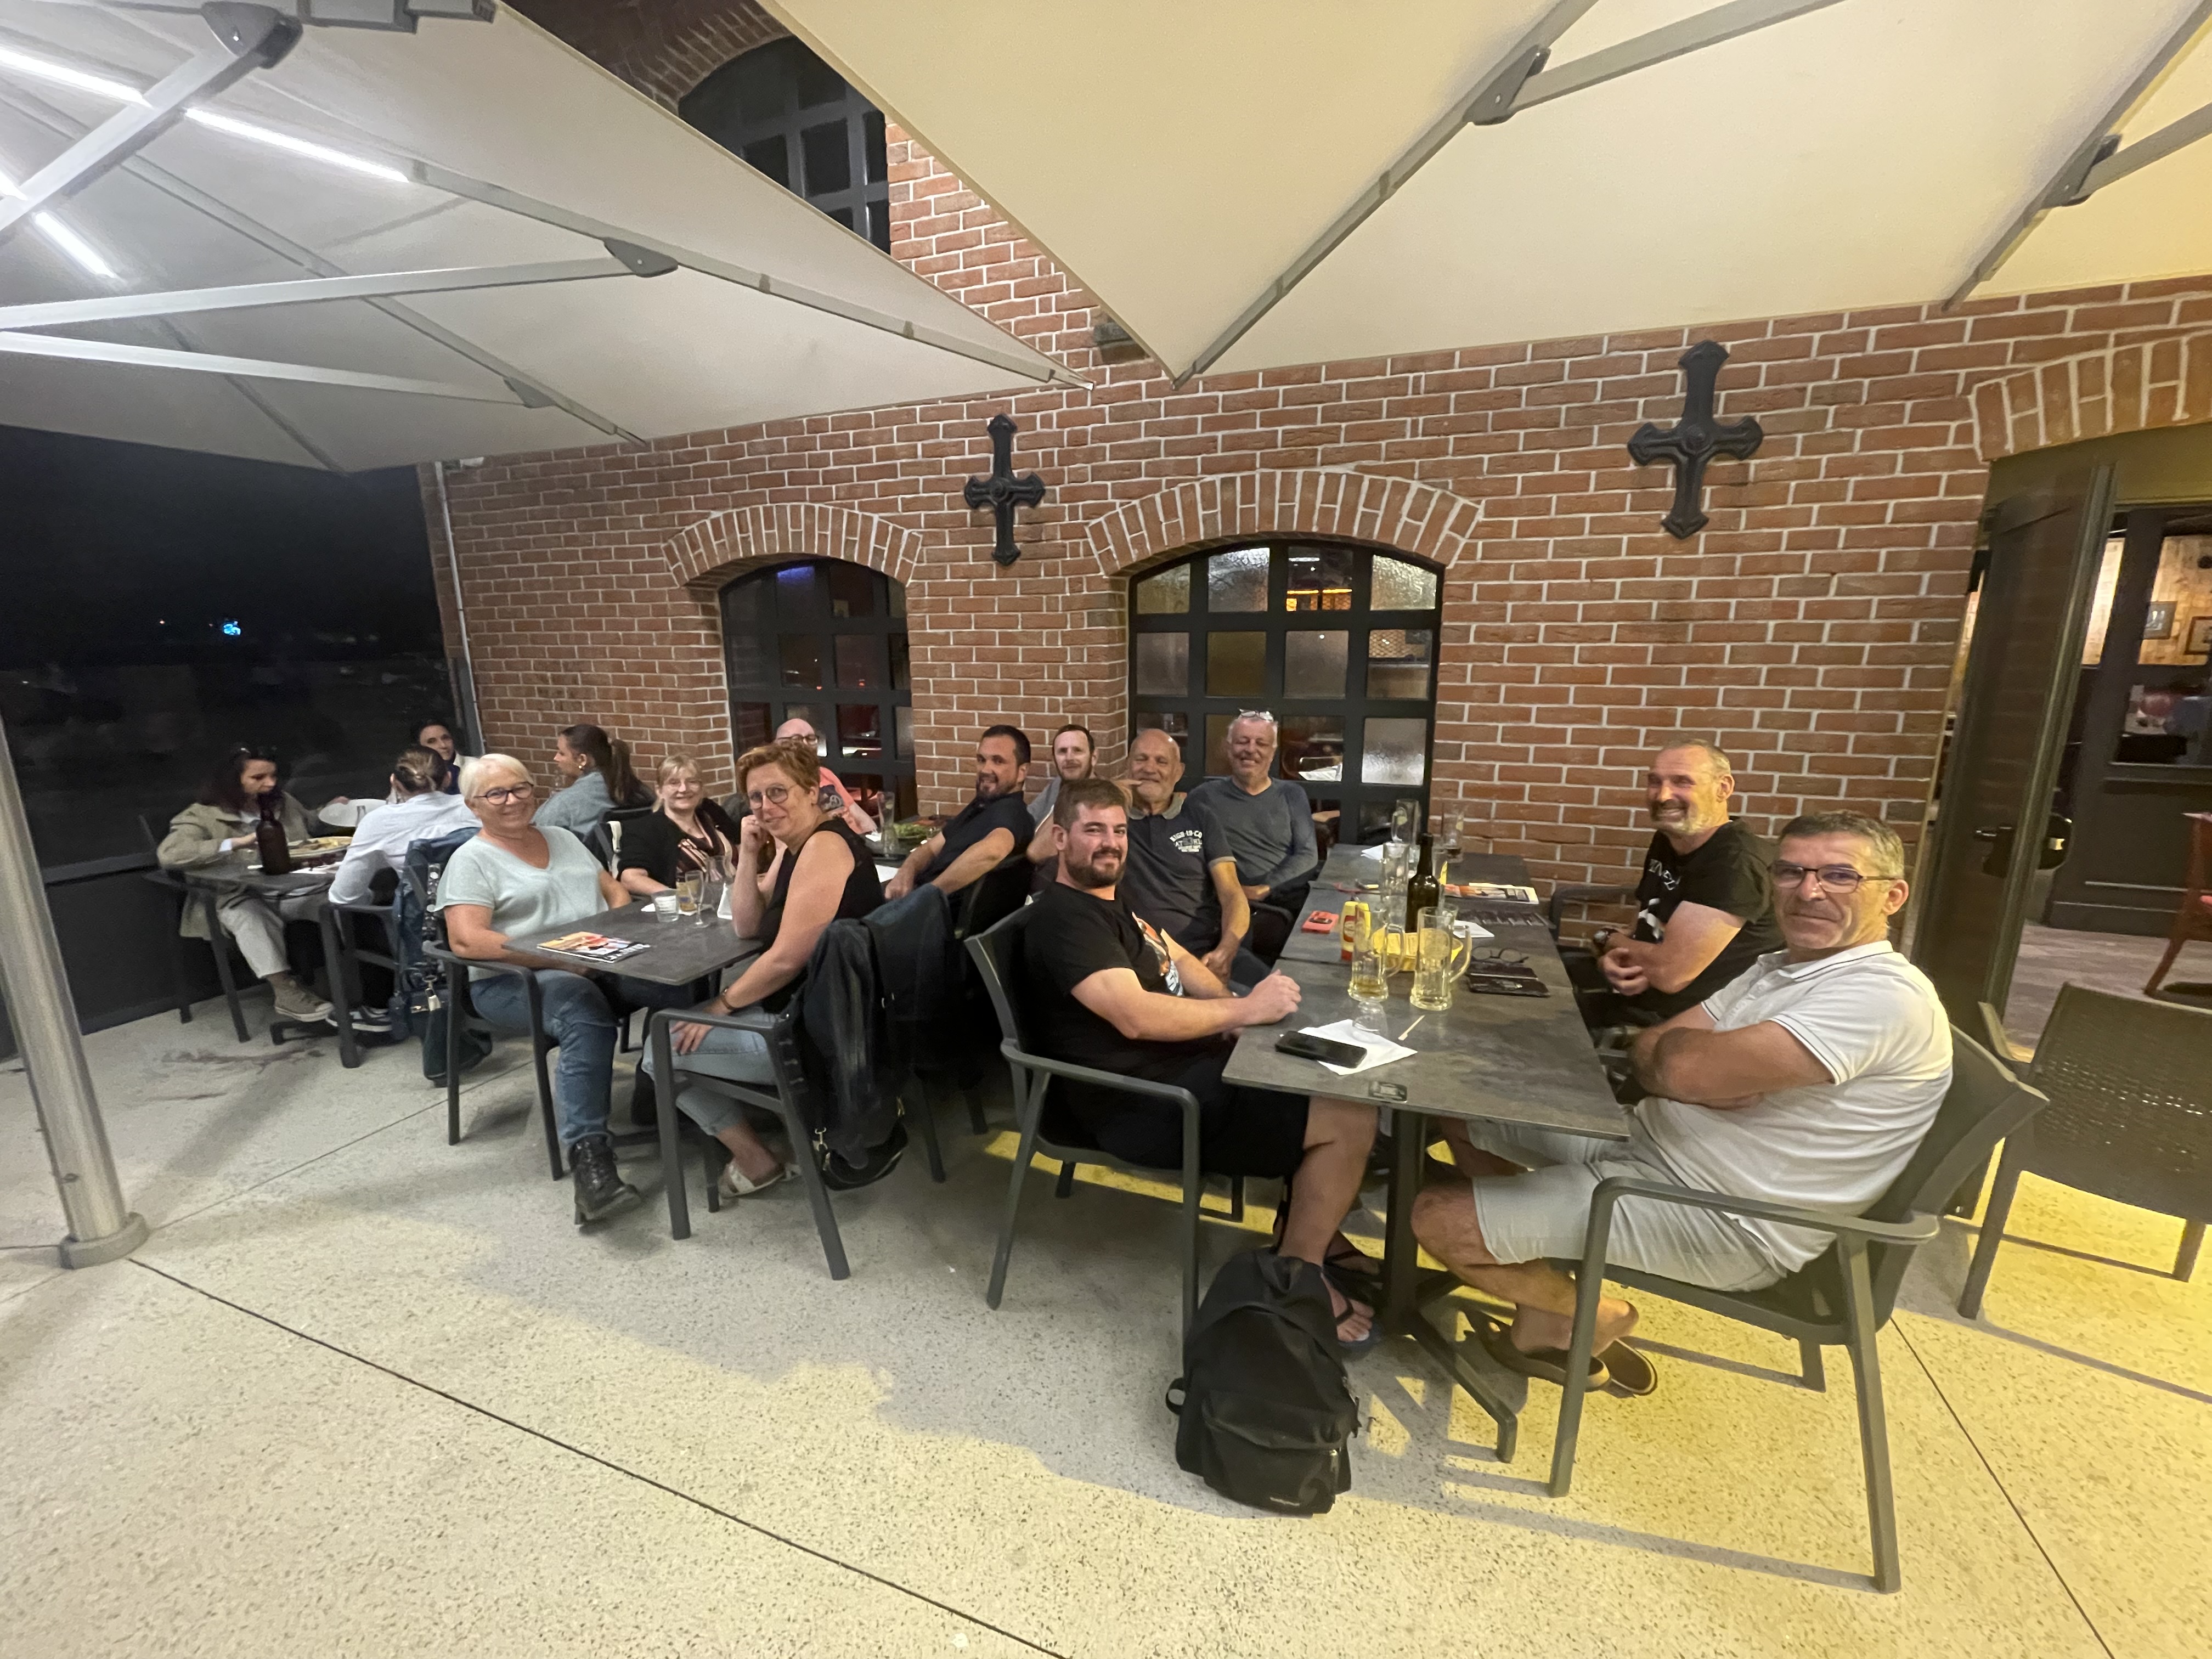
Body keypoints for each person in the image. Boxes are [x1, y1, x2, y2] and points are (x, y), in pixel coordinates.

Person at [1411, 811, 1952, 1398]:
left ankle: (1593, 1314)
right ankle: (1538, 1285)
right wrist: (1688, 1070)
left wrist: (1687, 1067)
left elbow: (1677, 1067)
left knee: (1436, 1218)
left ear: (1892, 896)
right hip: (1649, 1143)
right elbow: (1654, 1052)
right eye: (1791, 872)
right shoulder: (1781, 967)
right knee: (1463, 1104)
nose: (1808, 891)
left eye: (1840, 876)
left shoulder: (1881, 998)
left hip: (1726, 1217)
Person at [1025, 778, 1382, 1350]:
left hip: (1181, 1069)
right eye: (1093, 830)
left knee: (1319, 1068)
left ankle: (1308, 1227)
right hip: (1141, 1103)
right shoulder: (1065, 919)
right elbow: (1136, 1017)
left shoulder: (1111, 901)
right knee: (1349, 1114)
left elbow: (1173, 953)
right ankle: (1298, 1275)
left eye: (1118, 830)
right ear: (1061, 838)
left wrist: (1231, 1011)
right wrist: (1244, 1010)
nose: (1110, 843)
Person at [435, 754, 693, 1224]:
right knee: (582, 1011)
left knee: (675, 985)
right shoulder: (470, 861)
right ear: (474, 805)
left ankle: (653, 1091)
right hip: (511, 981)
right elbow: (468, 941)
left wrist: (609, 937)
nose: (512, 800)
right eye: (496, 793)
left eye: (520, 788)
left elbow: (614, 890)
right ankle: (591, 1160)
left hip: (593, 962)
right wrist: (560, 958)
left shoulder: (563, 838)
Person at [643, 740, 885, 1197]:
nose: (766, 806)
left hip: (810, 1038)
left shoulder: (824, 847)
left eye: (778, 792)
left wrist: (721, 1006)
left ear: (811, 791)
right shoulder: (797, 845)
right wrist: (750, 853)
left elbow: (786, 958)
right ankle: (777, 1135)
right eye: (755, 797)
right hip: (818, 1015)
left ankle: (755, 1160)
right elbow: (747, 925)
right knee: (675, 1026)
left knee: (658, 1050)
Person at [1576, 740, 1783, 1026]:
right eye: (1655, 781)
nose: (1663, 796)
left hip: (1682, 1024)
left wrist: (1606, 938)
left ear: (1723, 788)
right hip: (1638, 995)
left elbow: (1669, 974)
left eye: (1682, 782)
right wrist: (1608, 961)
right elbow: (1641, 930)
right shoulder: (1669, 838)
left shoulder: (1736, 862)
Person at [156, 746, 332, 1024]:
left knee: (341, 902)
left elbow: (311, 823)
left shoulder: (282, 802)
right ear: (232, 781)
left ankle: (366, 979)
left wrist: (335, 811)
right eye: (258, 778)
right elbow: (170, 854)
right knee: (251, 918)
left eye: (273, 776)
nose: (270, 784)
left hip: (295, 888)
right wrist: (235, 844)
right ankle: (286, 992)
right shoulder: (201, 816)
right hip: (239, 894)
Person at [1118, 725, 1264, 986]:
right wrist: (1104, 792)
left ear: (1178, 772)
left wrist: (1226, 951)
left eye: (1161, 761)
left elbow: (1232, 894)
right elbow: (1045, 848)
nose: (1150, 768)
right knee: (1244, 1006)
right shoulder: (1110, 820)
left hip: (1209, 952)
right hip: (1148, 961)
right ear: (1128, 766)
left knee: (1287, 996)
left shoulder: (1200, 816)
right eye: (1141, 759)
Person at [1188, 711, 1318, 959]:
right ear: (1228, 748)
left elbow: (1308, 855)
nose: (1251, 750)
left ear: (1273, 751)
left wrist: (1265, 888)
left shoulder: (1292, 794)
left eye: (1261, 743)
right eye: (1242, 742)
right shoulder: (1203, 798)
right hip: (1234, 910)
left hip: (1288, 902)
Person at [885, 725, 1032, 900]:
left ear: (1022, 772)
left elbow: (994, 851)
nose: (985, 769)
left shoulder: (1011, 811)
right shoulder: (981, 806)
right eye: (981, 760)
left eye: (998, 761)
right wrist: (906, 872)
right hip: (914, 897)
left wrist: (928, 895)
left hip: (931, 910)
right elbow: (931, 848)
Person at [327, 746, 475, 905]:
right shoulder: (478, 806)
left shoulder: (379, 821)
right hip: (489, 909)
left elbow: (343, 896)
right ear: (448, 778)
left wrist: (375, 898)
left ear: (395, 784)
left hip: (427, 918)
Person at [618, 754, 742, 896]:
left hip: (737, 894)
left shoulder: (711, 811)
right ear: (659, 790)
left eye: (692, 782)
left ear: (701, 788)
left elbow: (739, 844)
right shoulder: (645, 829)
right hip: (689, 905)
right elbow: (630, 879)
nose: (684, 789)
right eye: (674, 783)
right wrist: (678, 897)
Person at [533, 723, 651, 838]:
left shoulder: (564, 804)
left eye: (562, 753)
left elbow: (537, 836)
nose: (556, 758)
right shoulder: (642, 791)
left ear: (582, 760)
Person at [774, 715, 877, 836]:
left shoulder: (824, 773)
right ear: (778, 745)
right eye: (797, 739)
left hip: (857, 840)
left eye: (811, 739)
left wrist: (875, 836)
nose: (806, 744)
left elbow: (855, 811)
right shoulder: (777, 786)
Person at [1024, 723, 1097, 864]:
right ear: (1054, 760)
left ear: (1093, 758)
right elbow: (1029, 819)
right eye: (1063, 751)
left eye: (1077, 750)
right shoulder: (1058, 784)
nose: (1069, 758)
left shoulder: (1098, 798)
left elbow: (1036, 853)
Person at [411, 716, 475, 795]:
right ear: (419, 748)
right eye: (432, 742)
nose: (443, 745)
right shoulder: (411, 776)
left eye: (446, 738)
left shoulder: (476, 767)